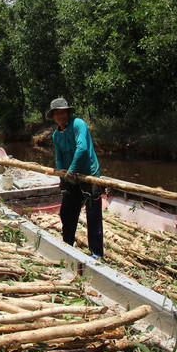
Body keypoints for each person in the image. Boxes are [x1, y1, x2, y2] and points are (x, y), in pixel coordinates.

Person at [47, 97, 104, 259]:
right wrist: (62, 177)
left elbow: (82, 149)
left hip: (88, 175)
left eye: (63, 112)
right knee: (66, 212)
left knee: (93, 216)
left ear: (68, 113)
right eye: (57, 113)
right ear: (53, 116)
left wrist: (71, 172)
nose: (60, 116)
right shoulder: (56, 135)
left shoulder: (78, 124)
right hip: (70, 177)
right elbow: (58, 156)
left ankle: (97, 254)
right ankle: (67, 247)